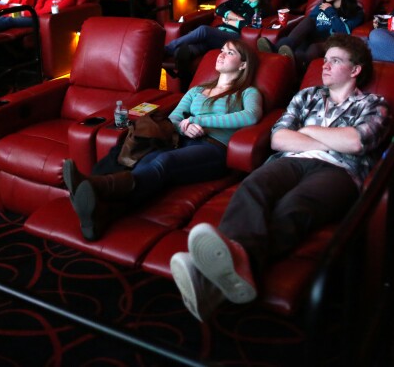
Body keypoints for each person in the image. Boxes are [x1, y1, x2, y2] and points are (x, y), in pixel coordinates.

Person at [170, 34, 390, 321]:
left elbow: (357, 142)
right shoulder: (307, 95)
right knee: (254, 186)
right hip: (291, 161)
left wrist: (307, 132)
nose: (324, 66)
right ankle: (230, 272)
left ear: (355, 70)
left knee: (295, 205)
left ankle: (216, 275)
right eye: (324, 60)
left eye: (335, 61)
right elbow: (278, 139)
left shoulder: (374, 104)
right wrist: (328, 140)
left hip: (340, 170)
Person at [62, 40, 263, 241]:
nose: (221, 55)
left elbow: (251, 115)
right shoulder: (196, 91)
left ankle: (96, 186)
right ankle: (102, 212)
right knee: (147, 160)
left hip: (213, 148)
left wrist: (197, 120)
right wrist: (184, 126)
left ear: (243, 65)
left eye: (229, 52)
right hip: (182, 141)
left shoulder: (247, 92)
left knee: (164, 162)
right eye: (221, 50)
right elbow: (174, 119)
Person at [258, 0, 364, 72]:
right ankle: (277, 49)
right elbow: (307, 26)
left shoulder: (355, 12)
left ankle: (288, 60)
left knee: (312, 48)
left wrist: (331, 13)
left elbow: (344, 32)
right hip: (310, 38)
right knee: (308, 21)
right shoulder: (321, 7)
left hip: (329, 42)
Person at [165, 0, 269, 66]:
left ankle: (167, 49)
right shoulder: (237, 1)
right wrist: (237, 18)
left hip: (236, 37)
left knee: (204, 30)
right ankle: (183, 53)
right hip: (219, 33)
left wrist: (229, 21)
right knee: (199, 44)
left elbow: (248, 25)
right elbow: (219, 9)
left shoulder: (262, 8)